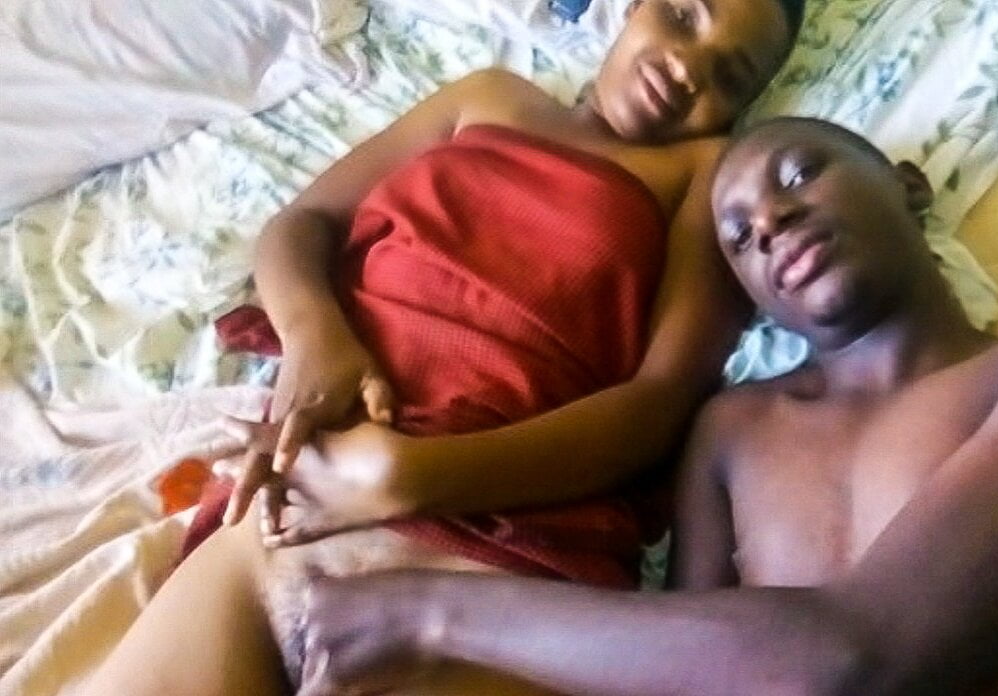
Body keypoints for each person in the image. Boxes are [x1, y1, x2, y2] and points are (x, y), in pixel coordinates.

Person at [293, 117, 998, 695]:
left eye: (795, 175)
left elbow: (851, 659)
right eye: (737, 237)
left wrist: (422, 613)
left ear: (907, 185)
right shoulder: (732, 432)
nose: (769, 223)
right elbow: (680, 678)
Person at [85, 1, 806, 694]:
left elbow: (659, 403)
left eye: (730, 75)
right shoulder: (487, 97)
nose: (687, 68)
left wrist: (414, 478)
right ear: (634, 6)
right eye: (681, 16)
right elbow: (303, 224)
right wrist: (316, 339)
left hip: (492, 570)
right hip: (290, 517)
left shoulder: (707, 175)